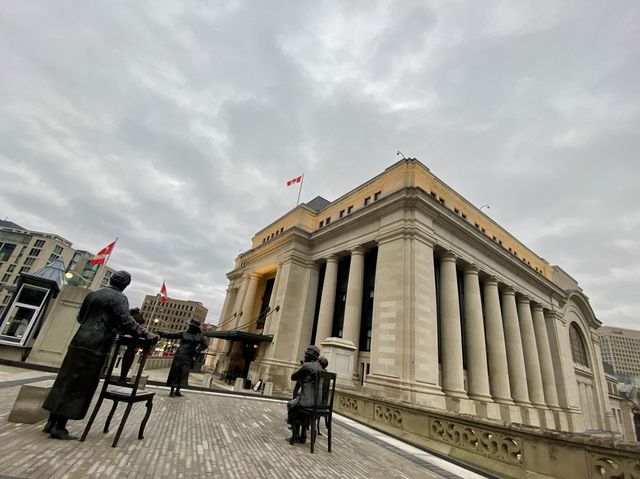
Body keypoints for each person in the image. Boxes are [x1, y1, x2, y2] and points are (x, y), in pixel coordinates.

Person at [42, 270, 158, 440]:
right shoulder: (119, 298)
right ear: (125, 285)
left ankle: (51, 421)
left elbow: (81, 317)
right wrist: (146, 334)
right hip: (97, 345)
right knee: (80, 385)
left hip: (79, 341)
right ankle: (60, 427)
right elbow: (126, 322)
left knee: (64, 379)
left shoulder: (93, 294)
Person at [159, 319, 207, 397]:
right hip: (179, 355)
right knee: (175, 371)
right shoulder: (184, 333)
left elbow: (204, 345)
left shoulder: (200, 336)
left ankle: (177, 391)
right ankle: (172, 391)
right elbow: (172, 335)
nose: (189, 327)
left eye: (191, 326)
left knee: (184, 373)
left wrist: (197, 351)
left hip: (188, 356)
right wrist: (161, 333)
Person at [287, 345, 323, 444]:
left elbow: (293, 377)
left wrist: (302, 368)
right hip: (320, 403)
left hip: (308, 402)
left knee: (292, 404)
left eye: (306, 355)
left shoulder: (307, 366)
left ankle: (295, 435)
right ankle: (303, 434)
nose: (305, 357)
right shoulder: (321, 367)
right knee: (301, 406)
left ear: (309, 356)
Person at [118, 307, 146, 382]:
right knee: (128, 358)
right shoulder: (132, 323)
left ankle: (122, 378)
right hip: (130, 347)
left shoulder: (129, 320)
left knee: (128, 358)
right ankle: (122, 378)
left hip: (131, 347)